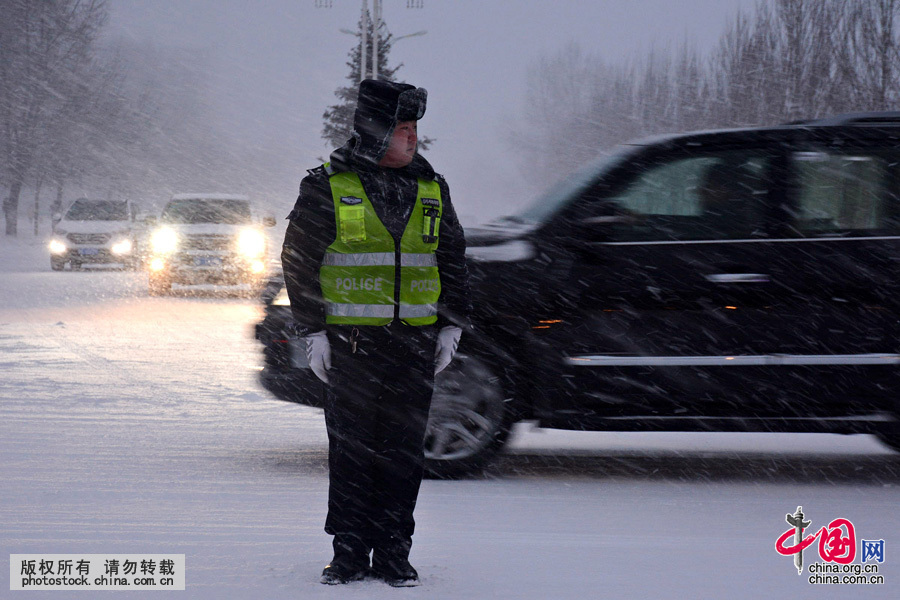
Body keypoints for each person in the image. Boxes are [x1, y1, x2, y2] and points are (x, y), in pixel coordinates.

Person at [281, 78, 471, 587]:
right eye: (402, 130)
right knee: (352, 450)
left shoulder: (432, 186)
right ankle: (348, 550)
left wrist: (452, 323)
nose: (412, 140)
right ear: (373, 132)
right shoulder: (327, 184)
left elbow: (452, 259)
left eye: (414, 131)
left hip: (414, 344)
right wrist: (313, 330)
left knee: (403, 451)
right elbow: (299, 259)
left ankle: (393, 549)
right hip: (352, 344)